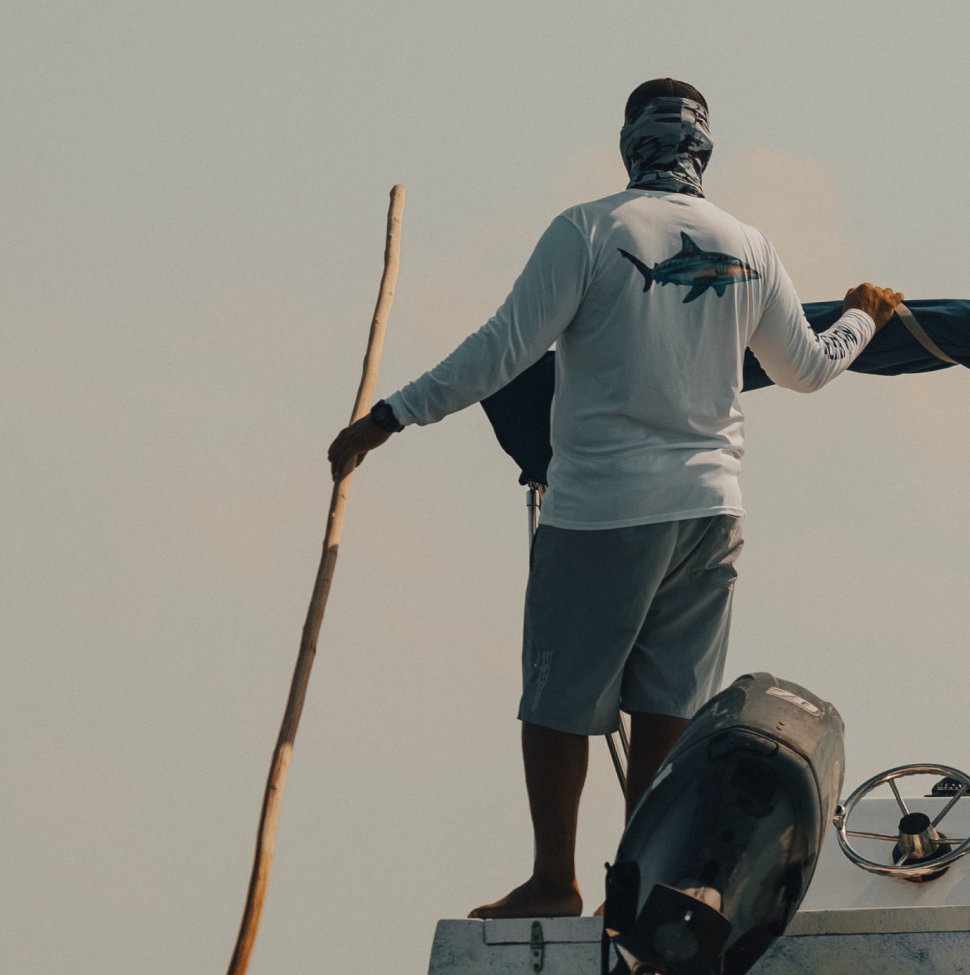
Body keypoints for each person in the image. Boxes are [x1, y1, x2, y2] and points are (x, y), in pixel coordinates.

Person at [327, 78, 903, 919]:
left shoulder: (589, 229)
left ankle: (554, 880)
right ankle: (635, 891)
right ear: (705, 148)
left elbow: (502, 350)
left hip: (603, 508)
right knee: (668, 703)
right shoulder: (749, 245)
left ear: (629, 143)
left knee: (558, 699)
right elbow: (808, 368)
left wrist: (390, 415)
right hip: (711, 511)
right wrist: (863, 319)